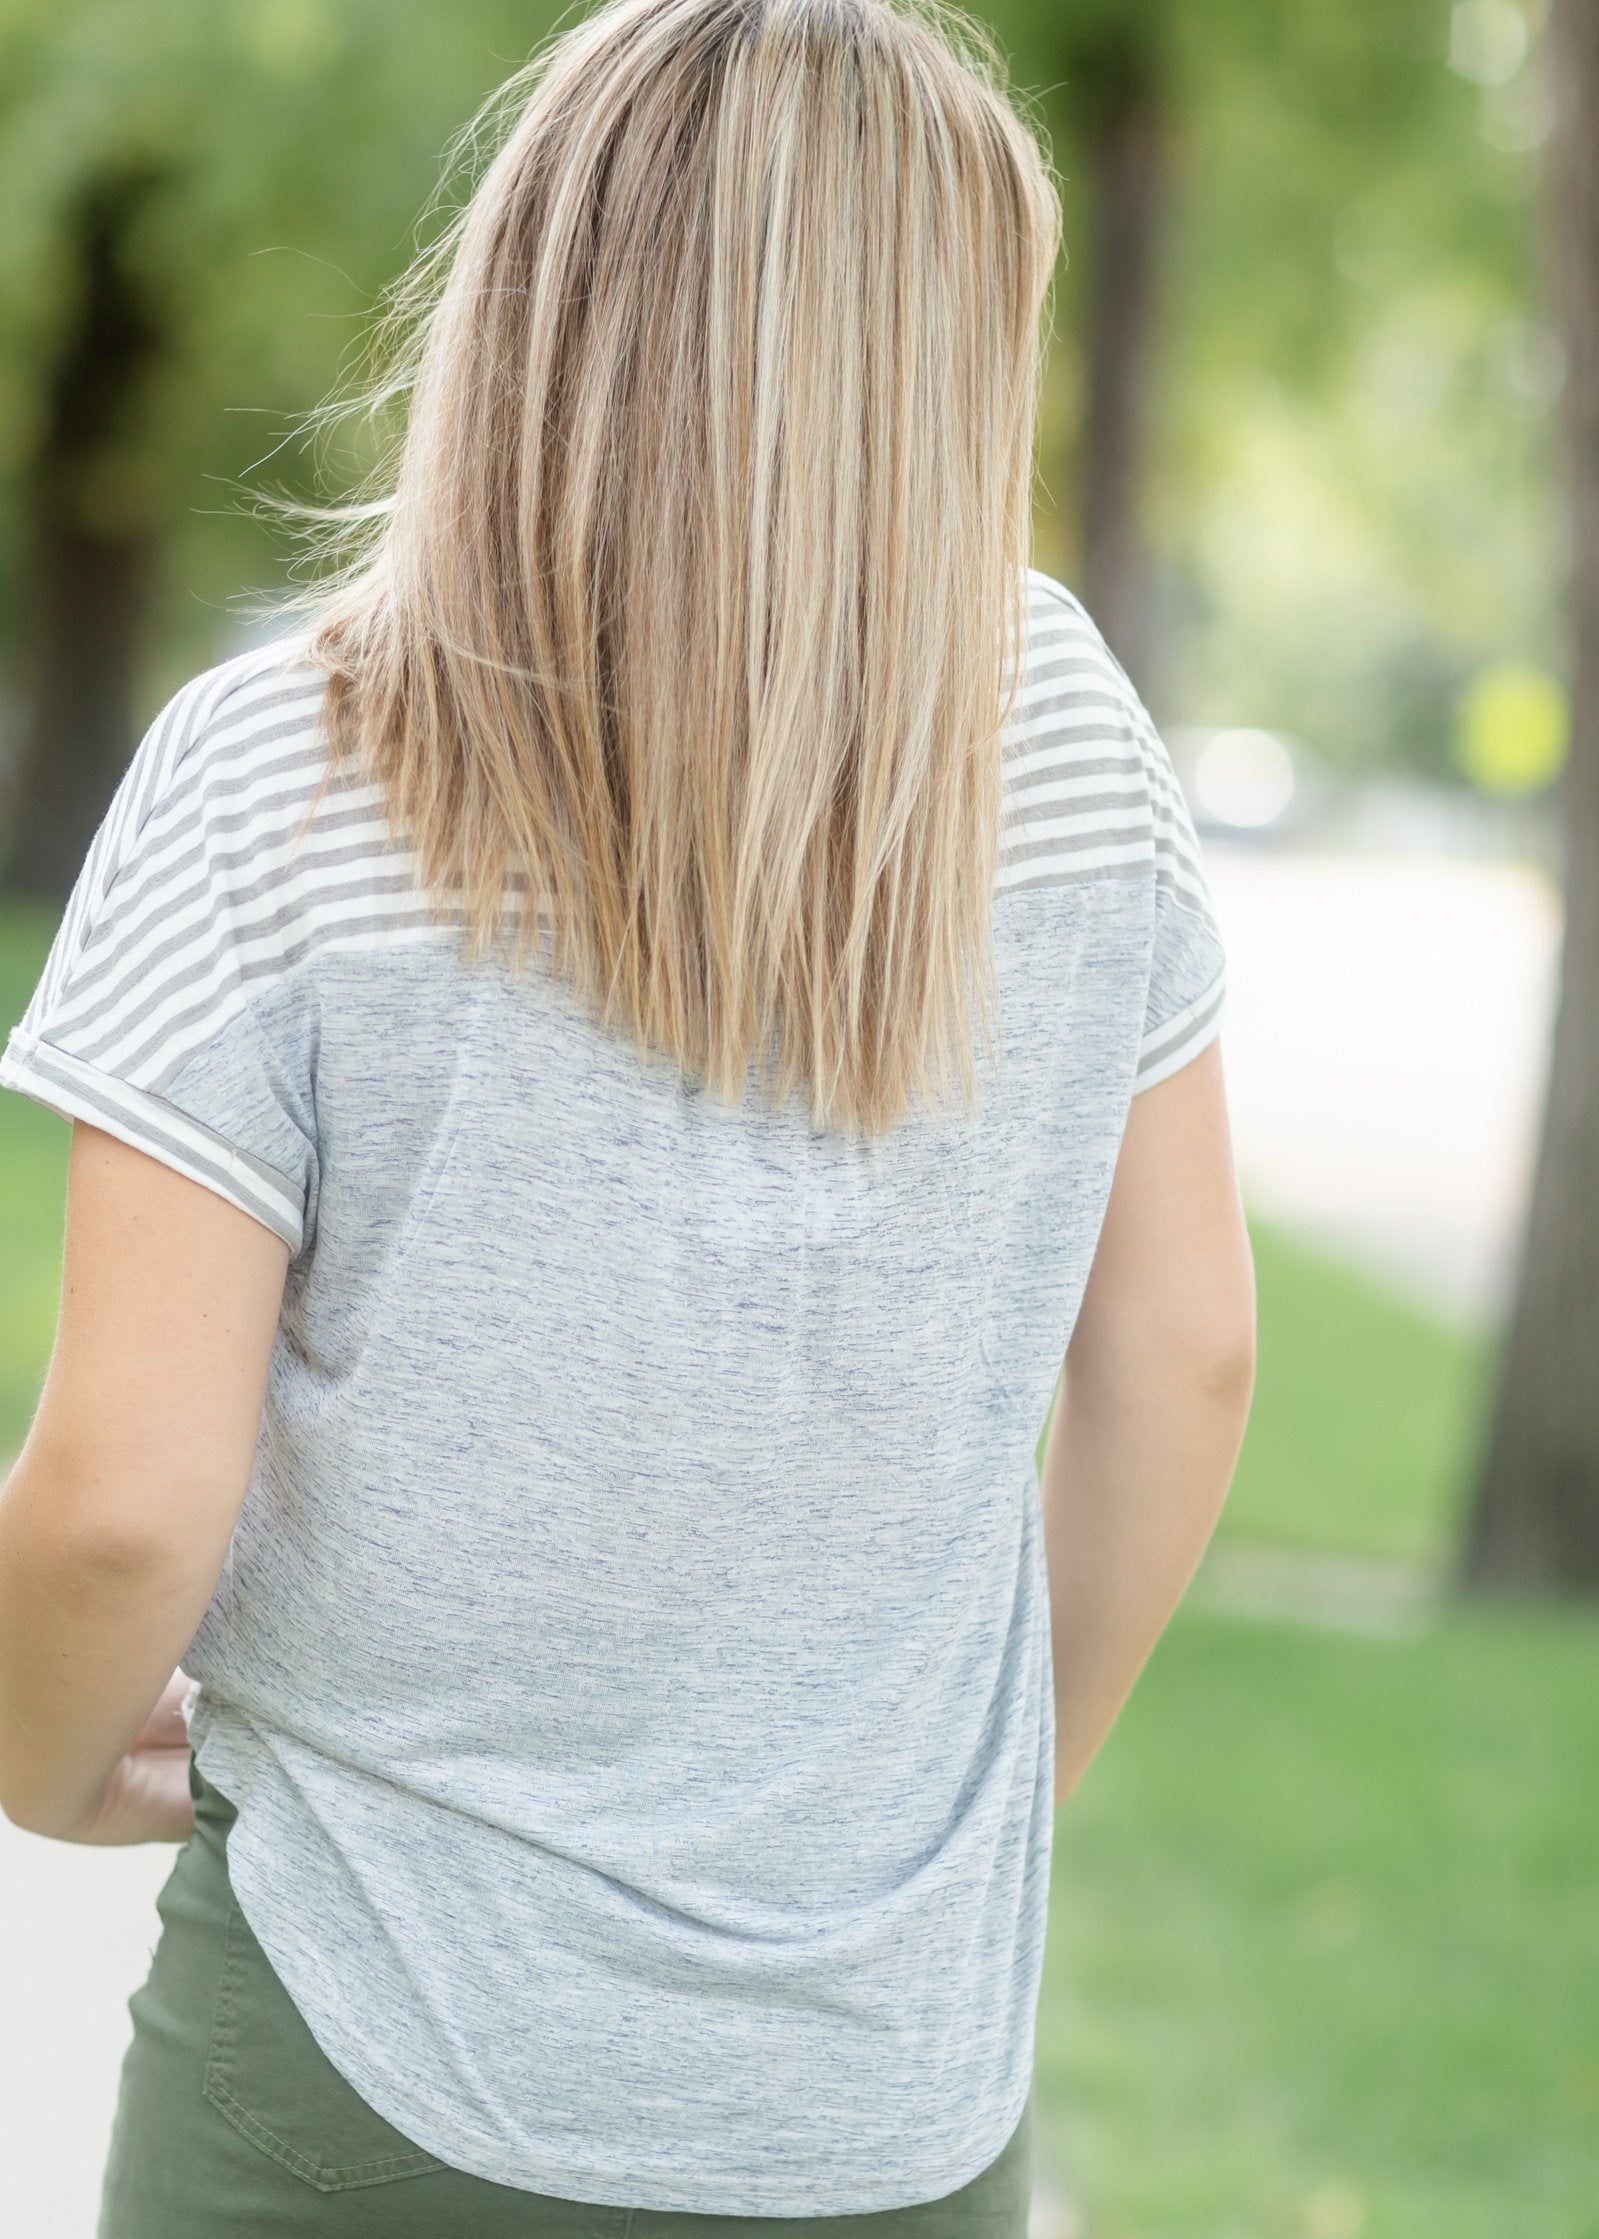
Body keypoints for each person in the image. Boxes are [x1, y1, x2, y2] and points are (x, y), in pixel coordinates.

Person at [0, 0, 1256, 2232]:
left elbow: (116, 1503)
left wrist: (24, 1752)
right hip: (882, 2104)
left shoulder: (274, 769)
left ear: (537, 295)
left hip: (356, 2062)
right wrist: (974, 1809)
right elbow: (1182, 1355)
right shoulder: (1060, 735)